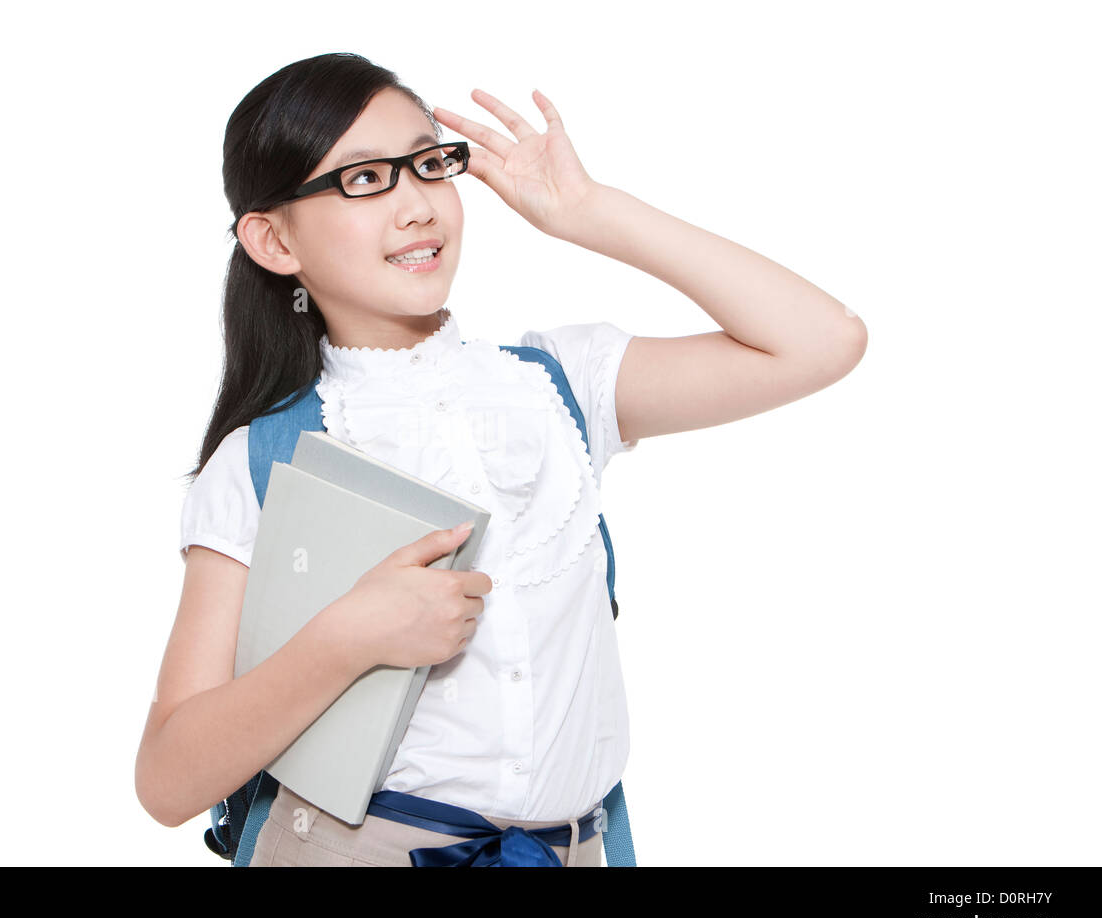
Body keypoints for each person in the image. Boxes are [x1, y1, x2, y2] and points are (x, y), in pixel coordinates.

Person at [134, 52, 867, 867]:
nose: (416, 205)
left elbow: (822, 342)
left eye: (427, 164)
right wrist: (347, 637)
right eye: (363, 180)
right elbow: (169, 778)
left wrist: (590, 212)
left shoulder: (559, 385)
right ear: (273, 240)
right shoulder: (264, 458)